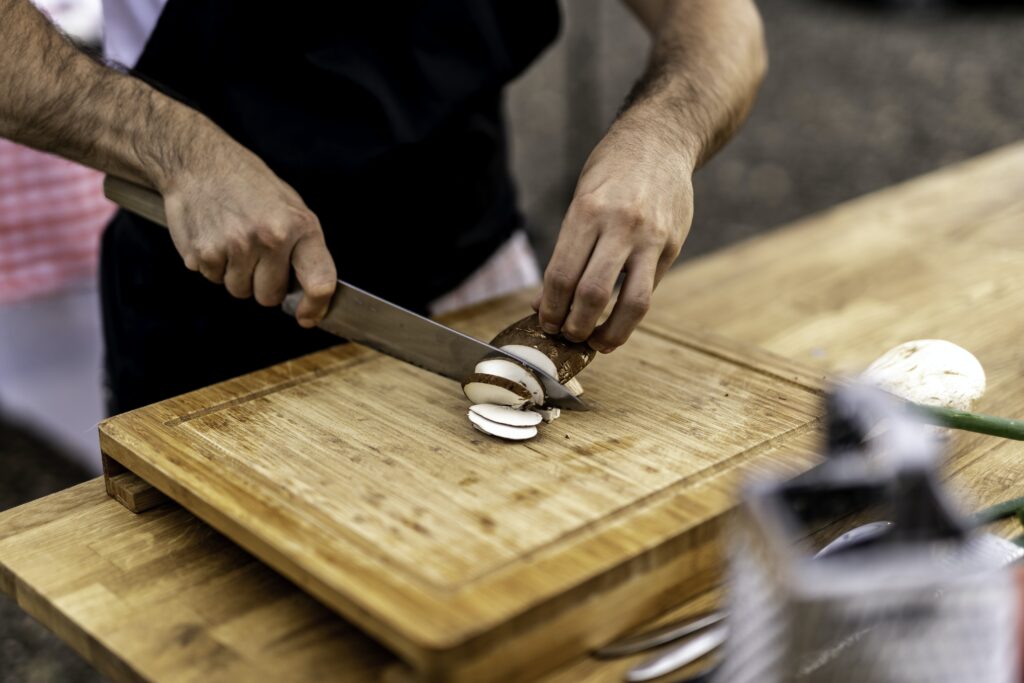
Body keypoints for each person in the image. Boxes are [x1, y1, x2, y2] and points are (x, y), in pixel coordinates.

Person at [0, 0, 767, 413]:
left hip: (479, 262)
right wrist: (177, 150)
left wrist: (663, 136)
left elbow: (719, 19)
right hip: (216, 305)